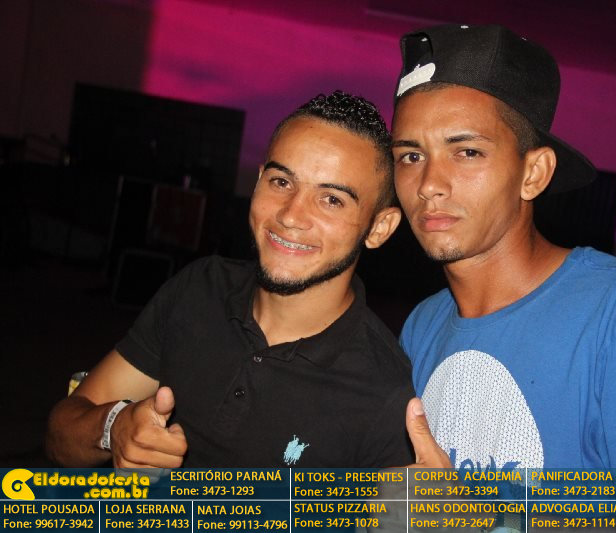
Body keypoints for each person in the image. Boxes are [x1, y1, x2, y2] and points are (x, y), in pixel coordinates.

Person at [391, 24, 616, 475]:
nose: (429, 184)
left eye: (467, 152)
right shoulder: (422, 327)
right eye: (410, 156)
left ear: (534, 174)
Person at [46, 91, 414, 468]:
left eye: (332, 200)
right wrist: (114, 427)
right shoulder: (200, 288)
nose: (290, 215)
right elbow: (62, 432)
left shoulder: (384, 393)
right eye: (281, 182)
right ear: (257, 182)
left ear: (379, 228)